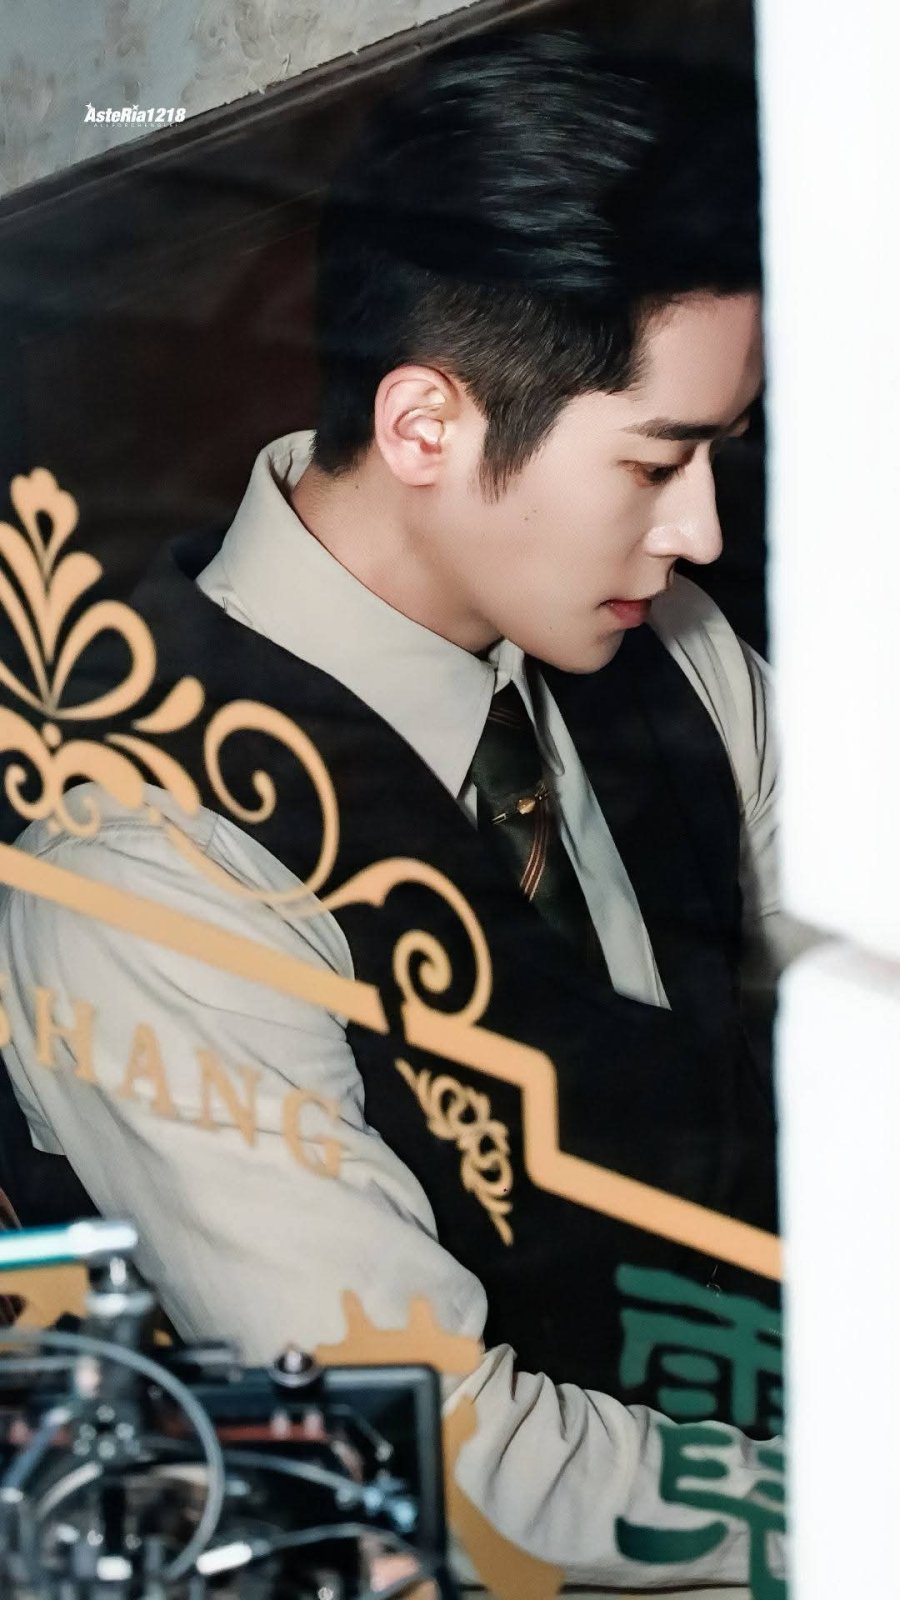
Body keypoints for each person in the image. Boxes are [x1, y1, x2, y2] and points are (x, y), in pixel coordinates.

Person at [0, 28, 817, 1592]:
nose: (704, 530)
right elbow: (439, 1445)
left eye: (720, 453)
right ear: (426, 427)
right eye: (658, 462)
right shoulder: (150, 867)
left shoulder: (678, 654)